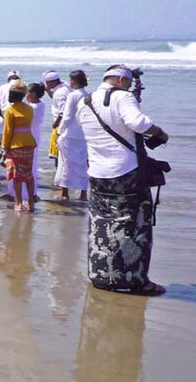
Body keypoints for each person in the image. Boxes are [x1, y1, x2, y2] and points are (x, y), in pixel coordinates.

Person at [78, 65, 169, 296]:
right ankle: (137, 281)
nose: (129, 87)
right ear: (120, 80)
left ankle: (101, 275)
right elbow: (139, 124)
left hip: (98, 173)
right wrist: (160, 133)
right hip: (126, 172)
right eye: (127, 83)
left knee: (101, 224)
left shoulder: (85, 101)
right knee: (137, 225)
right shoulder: (122, 97)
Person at [2, 79, 37, 212]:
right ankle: (31, 203)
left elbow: (7, 131)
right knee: (28, 175)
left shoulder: (10, 110)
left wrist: (4, 147)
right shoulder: (29, 109)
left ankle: (19, 203)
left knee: (17, 176)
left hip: (16, 145)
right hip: (29, 143)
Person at [56, 70, 90, 201]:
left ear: (74, 81)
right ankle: (83, 193)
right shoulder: (87, 95)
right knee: (82, 163)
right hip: (83, 134)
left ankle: (65, 193)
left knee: (66, 163)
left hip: (69, 133)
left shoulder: (73, 95)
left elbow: (67, 116)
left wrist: (60, 131)